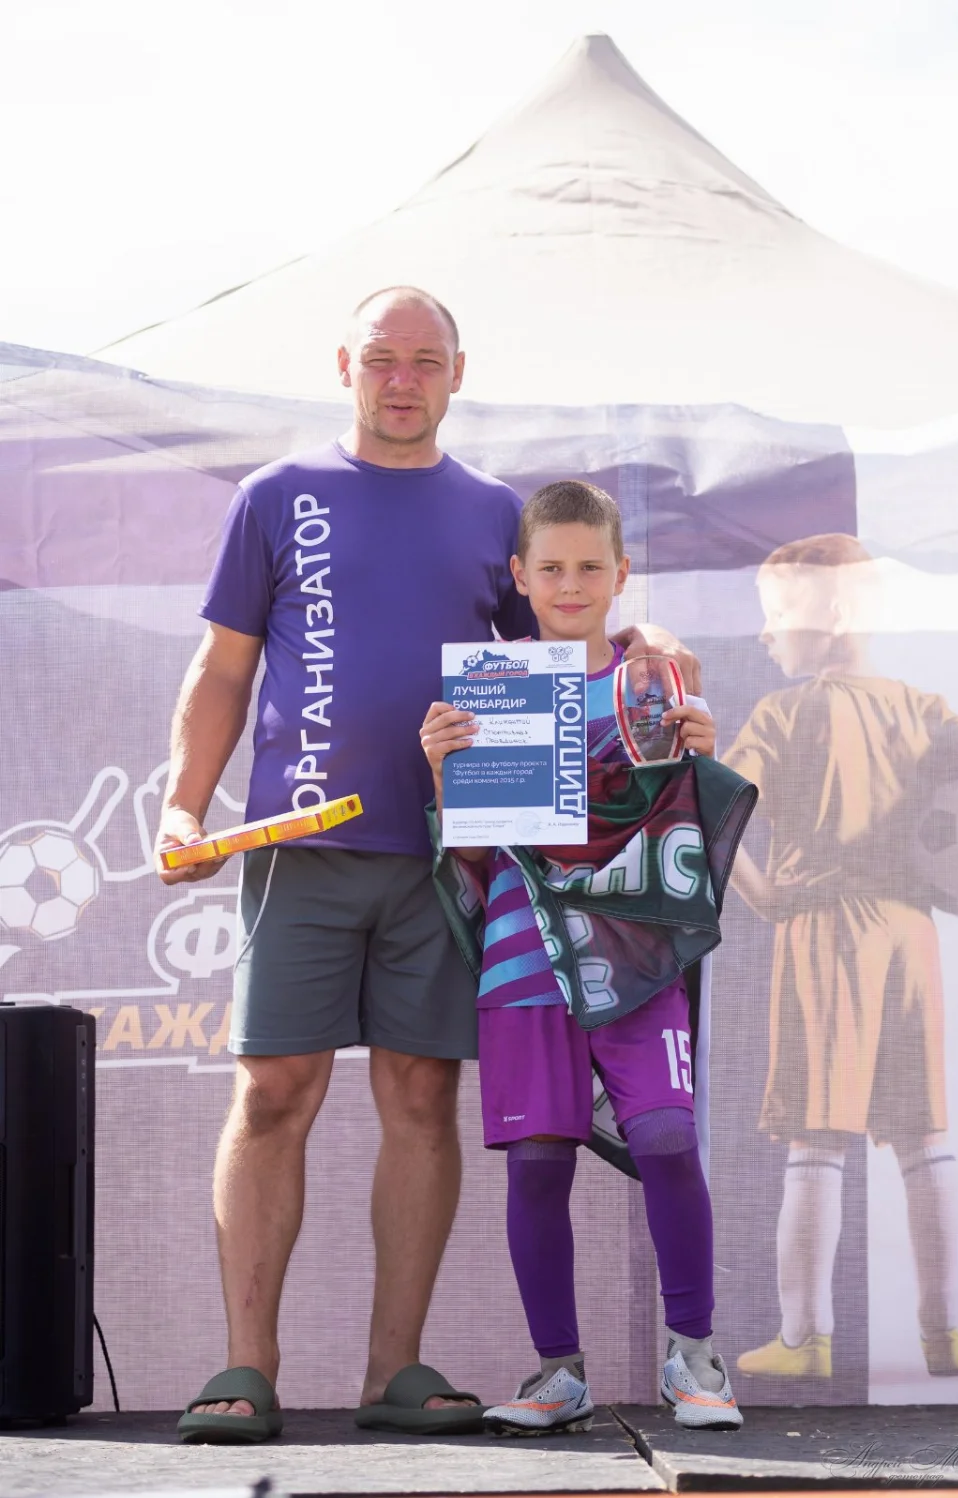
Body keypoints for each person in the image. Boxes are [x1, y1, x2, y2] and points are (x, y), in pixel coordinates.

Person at [156, 287, 701, 1442]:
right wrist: (180, 802)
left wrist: (644, 645)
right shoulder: (276, 495)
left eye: (424, 361)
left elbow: (563, 635)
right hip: (298, 843)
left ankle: (393, 1369)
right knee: (272, 1091)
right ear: (344, 365)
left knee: (419, 1096)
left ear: (458, 372)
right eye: (382, 359)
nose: (401, 380)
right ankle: (244, 1366)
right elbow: (223, 668)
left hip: (453, 858)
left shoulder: (494, 511)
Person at [420, 480, 746, 1434]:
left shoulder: (655, 684)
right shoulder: (488, 689)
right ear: (519, 576)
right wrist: (444, 775)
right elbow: (470, 859)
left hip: (636, 957)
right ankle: (557, 1374)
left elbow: (686, 829)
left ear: (621, 574)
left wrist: (700, 756)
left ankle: (695, 1357)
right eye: (552, 568)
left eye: (589, 567)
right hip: (522, 959)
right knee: (536, 1164)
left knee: (668, 1138)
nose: (571, 585)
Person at [723, 533, 958, 1380]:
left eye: (778, 612)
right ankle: (945, 1335)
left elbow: (708, 807)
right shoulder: (923, 709)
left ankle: (805, 1339)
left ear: (833, 613)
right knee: (924, 1138)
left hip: (825, 932)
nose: (767, 632)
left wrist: (762, 895)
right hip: (910, 938)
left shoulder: (783, 713)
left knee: (817, 1138)